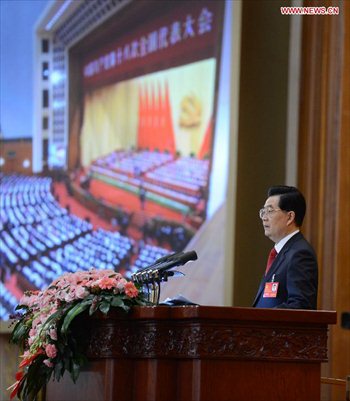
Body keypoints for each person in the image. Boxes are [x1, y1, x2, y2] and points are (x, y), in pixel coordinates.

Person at [252, 185, 318, 309]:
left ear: (290, 217)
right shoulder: (280, 253)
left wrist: (263, 318)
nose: (264, 218)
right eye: (263, 212)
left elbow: (301, 306)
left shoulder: (300, 253)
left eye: (270, 211)